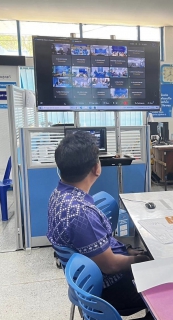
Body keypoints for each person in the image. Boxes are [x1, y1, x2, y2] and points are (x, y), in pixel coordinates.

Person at [47, 131, 151, 318]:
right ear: (97, 168)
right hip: (111, 290)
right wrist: (144, 261)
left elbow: (102, 247)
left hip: (88, 279)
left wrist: (126, 250)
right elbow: (111, 266)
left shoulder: (58, 195)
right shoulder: (82, 214)